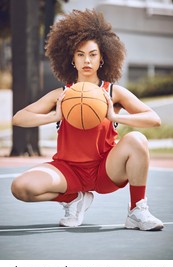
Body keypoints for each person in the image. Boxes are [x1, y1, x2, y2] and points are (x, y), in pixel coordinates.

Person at [11, 9, 164, 231]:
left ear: (102, 58)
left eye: (93, 54)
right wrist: (54, 116)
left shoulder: (114, 93)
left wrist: (113, 115)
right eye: (80, 54)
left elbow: (154, 118)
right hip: (68, 171)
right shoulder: (61, 94)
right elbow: (19, 118)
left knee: (137, 139)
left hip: (105, 169)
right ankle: (73, 199)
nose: (87, 60)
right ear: (72, 59)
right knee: (21, 187)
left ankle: (137, 210)